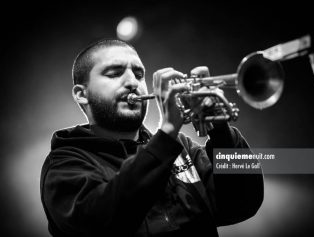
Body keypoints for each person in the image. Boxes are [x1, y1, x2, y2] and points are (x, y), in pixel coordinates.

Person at [40, 39, 264, 237]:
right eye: (114, 73)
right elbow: (103, 224)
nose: (133, 83)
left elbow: (242, 204)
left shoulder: (181, 147)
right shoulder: (65, 163)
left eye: (139, 75)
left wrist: (221, 131)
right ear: (82, 94)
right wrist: (166, 134)